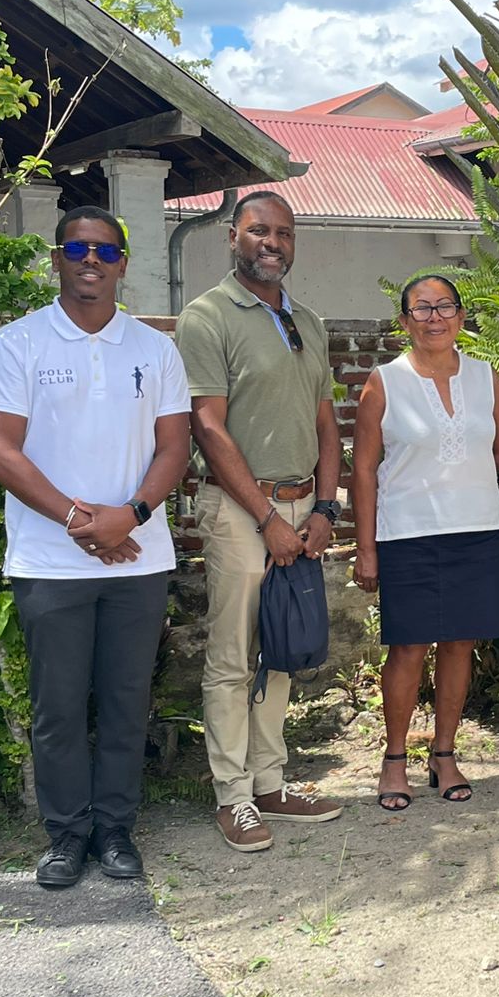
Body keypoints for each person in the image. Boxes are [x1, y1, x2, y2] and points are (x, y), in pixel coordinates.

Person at [0, 206, 191, 888]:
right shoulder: (18, 344)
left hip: (139, 557)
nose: (90, 260)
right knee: (60, 707)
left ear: (124, 262)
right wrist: (80, 520)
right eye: (76, 248)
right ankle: (66, 836)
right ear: (57, 259)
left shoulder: (154, 349)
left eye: (104, 250)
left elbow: (175, 446)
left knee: (127, 700)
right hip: (49, 562)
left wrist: (128, 516)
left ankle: (116, 831)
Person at [177, 191, 345, 853]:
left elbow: (328, 424)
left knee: (280, 651)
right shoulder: (207, 316)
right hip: (243, 511)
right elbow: (208, 428)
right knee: (230, 660)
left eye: (282, 233)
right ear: (232, 237)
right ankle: (234, 796)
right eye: (257, 231)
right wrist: (269, 517)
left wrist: (326, 510)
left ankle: (271, 782)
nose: (270, 243)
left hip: (304, 511)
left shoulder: (308, 319)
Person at [350, 276, 499, 809]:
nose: (434, 316)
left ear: (462, 317)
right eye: (421, 308)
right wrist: (368, 547)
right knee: (408, 648)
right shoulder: (384, 382)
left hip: (475, 530)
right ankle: (394, 759)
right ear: (404, 323)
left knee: (461, 643)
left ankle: (444, 755)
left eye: (445, 306)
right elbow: (365, 470)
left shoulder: (487, 378)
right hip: (408, 535)